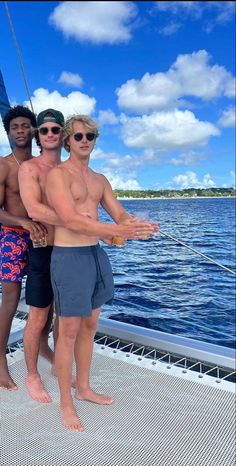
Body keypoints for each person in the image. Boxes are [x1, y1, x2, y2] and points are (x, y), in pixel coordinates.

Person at [46, 114, 158, 432]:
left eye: (90, 136)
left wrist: (136, 224)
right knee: (67, 332)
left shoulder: (100, 179)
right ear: (68, 140)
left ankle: (82, 388)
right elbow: (71, 220)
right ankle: (66, 405)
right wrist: (117, 228)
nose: (85, 140)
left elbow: (118, 211)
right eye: (79, 136)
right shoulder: (59, 176)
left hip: (96, 255)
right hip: (69, 257)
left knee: (91, 325)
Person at [18, 108, 64, 403]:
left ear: (63, 135)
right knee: (37, 317)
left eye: (55, 129)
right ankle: (32, 375)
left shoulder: (71, 170)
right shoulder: (30, 169)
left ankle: (59, 364)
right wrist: (78, 221)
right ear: (38, 136)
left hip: (72, 251)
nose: (49, 134)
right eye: (44, 130)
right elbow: (34, 209)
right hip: (42, 250)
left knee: (65, 315)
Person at [0, 105, 47, 390]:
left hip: (41, 238)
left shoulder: (41, 164)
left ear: (33, 130)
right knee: (10, 299)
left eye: (24, 126)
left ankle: (42, 346)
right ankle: (0, 362)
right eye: (14, 127)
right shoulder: (4, 166)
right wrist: (23, 222)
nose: (20, 130)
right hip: (12, 237)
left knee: (44, 298)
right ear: (8, 132)